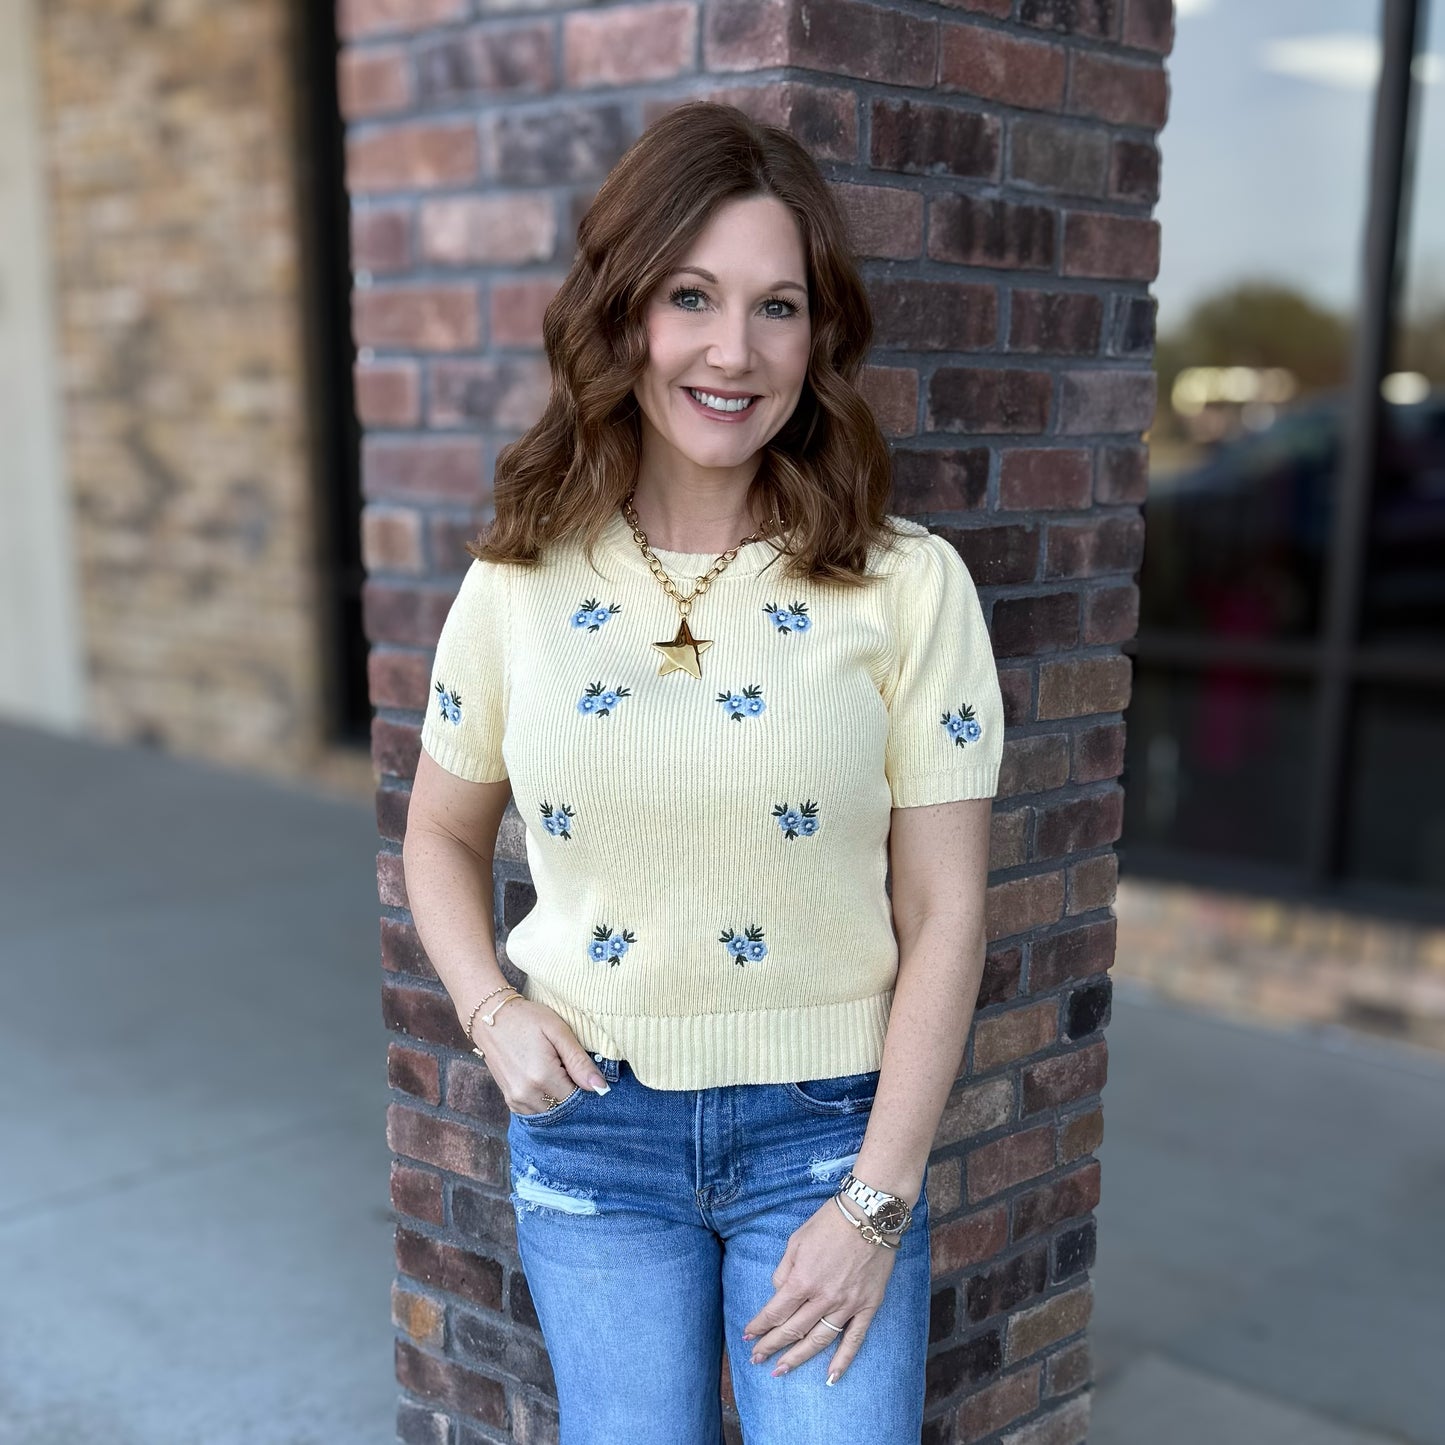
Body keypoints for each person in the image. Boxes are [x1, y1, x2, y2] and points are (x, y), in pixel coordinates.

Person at [401, 100, 1004, 1444]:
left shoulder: (908, 588)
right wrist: (493, 1012)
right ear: (624, 317)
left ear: (817, 332)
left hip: (825, 1143)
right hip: (593, 1137)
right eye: (691, 297)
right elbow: (438, 834)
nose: (733, 351)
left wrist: (873, 1201)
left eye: (776, 306)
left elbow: (947, 911)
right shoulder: (514, 585)